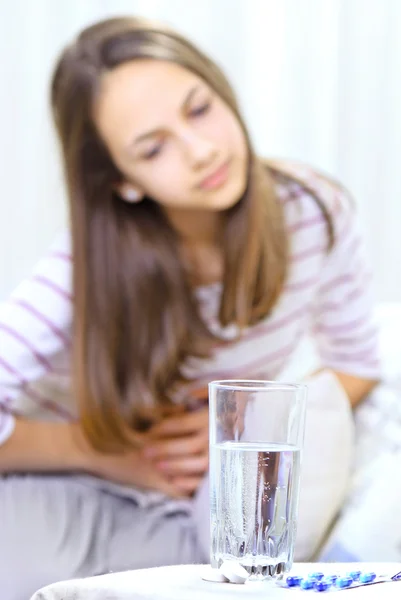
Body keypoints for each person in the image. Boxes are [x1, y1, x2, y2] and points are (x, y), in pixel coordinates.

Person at [0, 15, 380, 599]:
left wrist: (243, 425)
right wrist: (99, 449)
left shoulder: (312, 211)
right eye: (154, 149)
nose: (201, 152)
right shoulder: (80, 271)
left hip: (193, 504)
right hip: (62, 483)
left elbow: (355, 362)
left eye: (199, 108)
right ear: (121, 181)